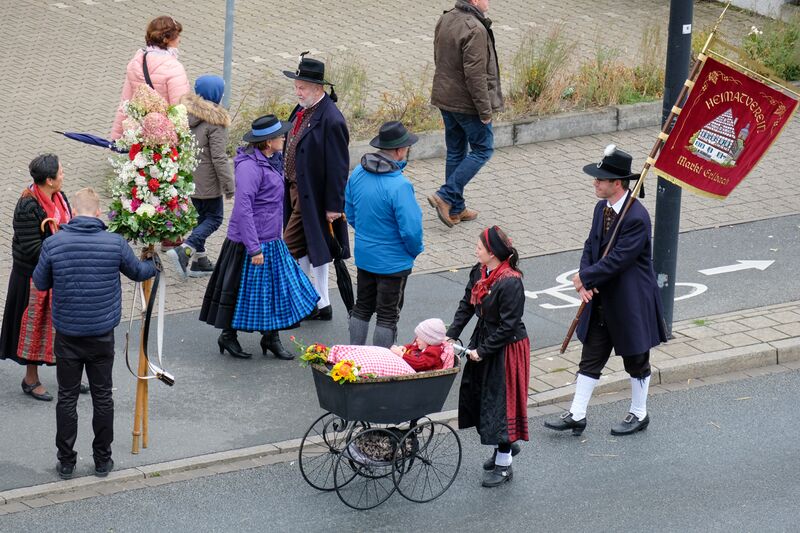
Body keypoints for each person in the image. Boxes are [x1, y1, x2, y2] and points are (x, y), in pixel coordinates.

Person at [32, 187, 157, 480]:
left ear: (73, 213)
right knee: (103, 398)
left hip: (67, 334)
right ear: (99, 212)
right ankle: (102, 460)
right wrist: (154, 262)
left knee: (67, 398)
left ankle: (66, 462)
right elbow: (139, 272)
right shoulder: (114, 243)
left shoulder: (55, 243)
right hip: (102, 334)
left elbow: (39, 283)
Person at [544, 145, 667, 437]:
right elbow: (592, 245)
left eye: (601, 179)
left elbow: (618, 260)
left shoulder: (636, 217)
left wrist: (585, 277)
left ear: (618, 183)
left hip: (629, 300)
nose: (595, 183)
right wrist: (585, 279)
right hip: (602, 297)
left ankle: (639, 413)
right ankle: (577, 413)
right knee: (591, 356)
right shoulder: (602, 208)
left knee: (636, 359)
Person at [200, 115, 319, 360]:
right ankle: (228, 336)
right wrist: (254, 249)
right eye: (279, 136)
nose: (284, 138)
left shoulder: (271, 159)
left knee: (273, 289)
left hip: (272, 238)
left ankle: (271, 338)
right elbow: (243, 209)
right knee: (239, 290)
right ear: (267, 142)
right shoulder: (249, 168)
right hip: (249, 242)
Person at [446, 226, 529, 488]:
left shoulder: (511, 282)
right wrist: (451, 335)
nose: (475, 250)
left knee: (500, 404)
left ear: (492, 252)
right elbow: (467, 305)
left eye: (479, 247)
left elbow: (508, 326)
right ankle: (502, 446)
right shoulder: (480, 271)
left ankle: (504, 464)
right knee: (479, 395)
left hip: (506, 348)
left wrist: (482, 351)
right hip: (485, 339)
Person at [282, 53, 350, 322]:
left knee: (286, 249)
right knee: (312, 248)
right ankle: (320, 303)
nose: (297, 91)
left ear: (318, 89)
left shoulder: (331, 119)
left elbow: (338, 166)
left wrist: (334, 205)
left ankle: (301, 301)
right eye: (296, 86)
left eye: (302, 87)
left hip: (314, 197)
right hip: (296, 191)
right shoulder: (301, 109)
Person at [0, 154, 73, 402]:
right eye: (60, 172)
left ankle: (68, 376)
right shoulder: (27, 206)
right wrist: (66, 249)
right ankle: (30, 379)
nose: (63, 174)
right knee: (34, 327)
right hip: (31, 276)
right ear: (49, 180)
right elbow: (33, 249)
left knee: (63, 328)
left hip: (57, 271)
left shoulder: (59, 197)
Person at [345, 121, 423, 347]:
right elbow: (411, 230)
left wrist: (365, 234)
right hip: (393, 262)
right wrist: (414, 251)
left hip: (365, 255)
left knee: (362, 306)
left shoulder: (358, 172)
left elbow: (350, 210)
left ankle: (354, 355)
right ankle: (381, 363)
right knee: (388, 315)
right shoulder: (400, 185)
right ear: (399, 151)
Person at [428, 0, 502, 228]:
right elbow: (476, 75)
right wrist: (485, 110)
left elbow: (438, 57)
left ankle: (456, 208)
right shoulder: (475, 29)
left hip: (446, 98)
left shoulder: (446, 18)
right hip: (467, 104)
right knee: (483, 149)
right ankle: (446, 195)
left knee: (456, 151)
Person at [168, 74, 234, 278]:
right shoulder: (215, 122)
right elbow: (219, 158)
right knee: (214, 218)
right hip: (208, 182)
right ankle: (185, 249)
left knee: (200, 219)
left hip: (190, 178)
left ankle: (200, 260)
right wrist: (229, 185)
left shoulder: (186, 115)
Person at [111, 15, 190, 140]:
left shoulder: (136, 63)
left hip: (140, 135)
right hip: (164, 139)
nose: (179, 40)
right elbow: (180, 110)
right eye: (177, 36)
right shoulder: (174, 68)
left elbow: (125, 104)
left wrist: (116, 138)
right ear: (166, 39)